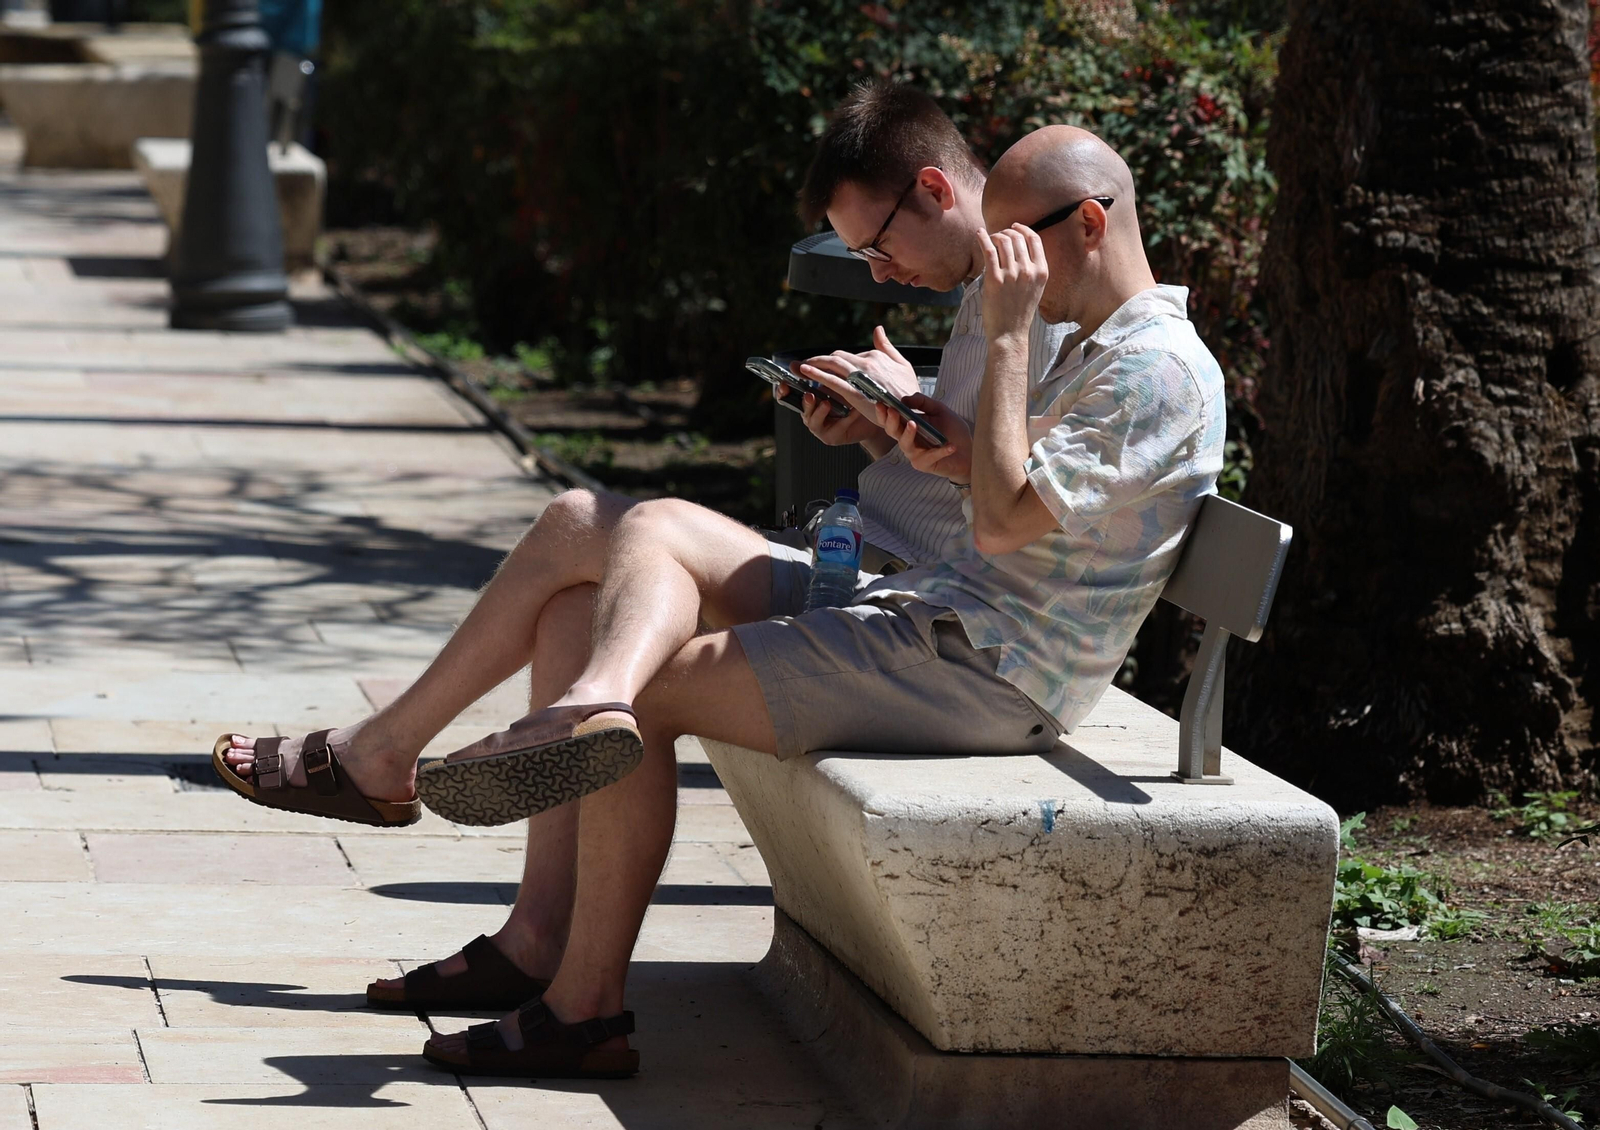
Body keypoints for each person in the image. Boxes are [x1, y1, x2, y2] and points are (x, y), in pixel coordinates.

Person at [393, 122, 1225, 1077]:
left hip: (989, 668)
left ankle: (583, 1011)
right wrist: (907, 429)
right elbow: (1006, 481)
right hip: (936, 614)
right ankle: (582, 732)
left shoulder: (1155, 369)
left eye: (1013, 244)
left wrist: (1004, 335)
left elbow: (1001, 524)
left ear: (1088, 223)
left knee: (647, 695)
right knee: (640, 539)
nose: (1002, 268)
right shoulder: (1099, 347)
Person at [211, 83, 1064, 1009]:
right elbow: (966, 472)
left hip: (923, 616)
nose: (880, 272)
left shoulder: (1036, 304)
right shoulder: (984, 289)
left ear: (934, 189)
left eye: (879, 246)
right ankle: (528, 929)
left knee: (622, 607)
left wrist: (920, 424)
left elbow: (1014, 507)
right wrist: (883, 419)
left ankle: (424, 763)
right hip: (869, 574)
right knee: (577, 548)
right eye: (865, 255)